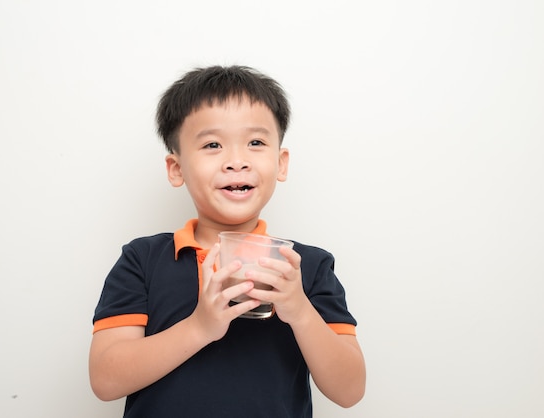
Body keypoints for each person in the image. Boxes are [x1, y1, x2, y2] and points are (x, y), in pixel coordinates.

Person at [89, 65, 366, 417]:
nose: (236, 161)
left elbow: (350, 390)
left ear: (281, 164)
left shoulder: (307, 266)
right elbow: (105, 380)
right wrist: (199, 327)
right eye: (212, 144)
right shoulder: (143, 259)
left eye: (255, 142)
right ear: (176, 169)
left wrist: (299, 310)